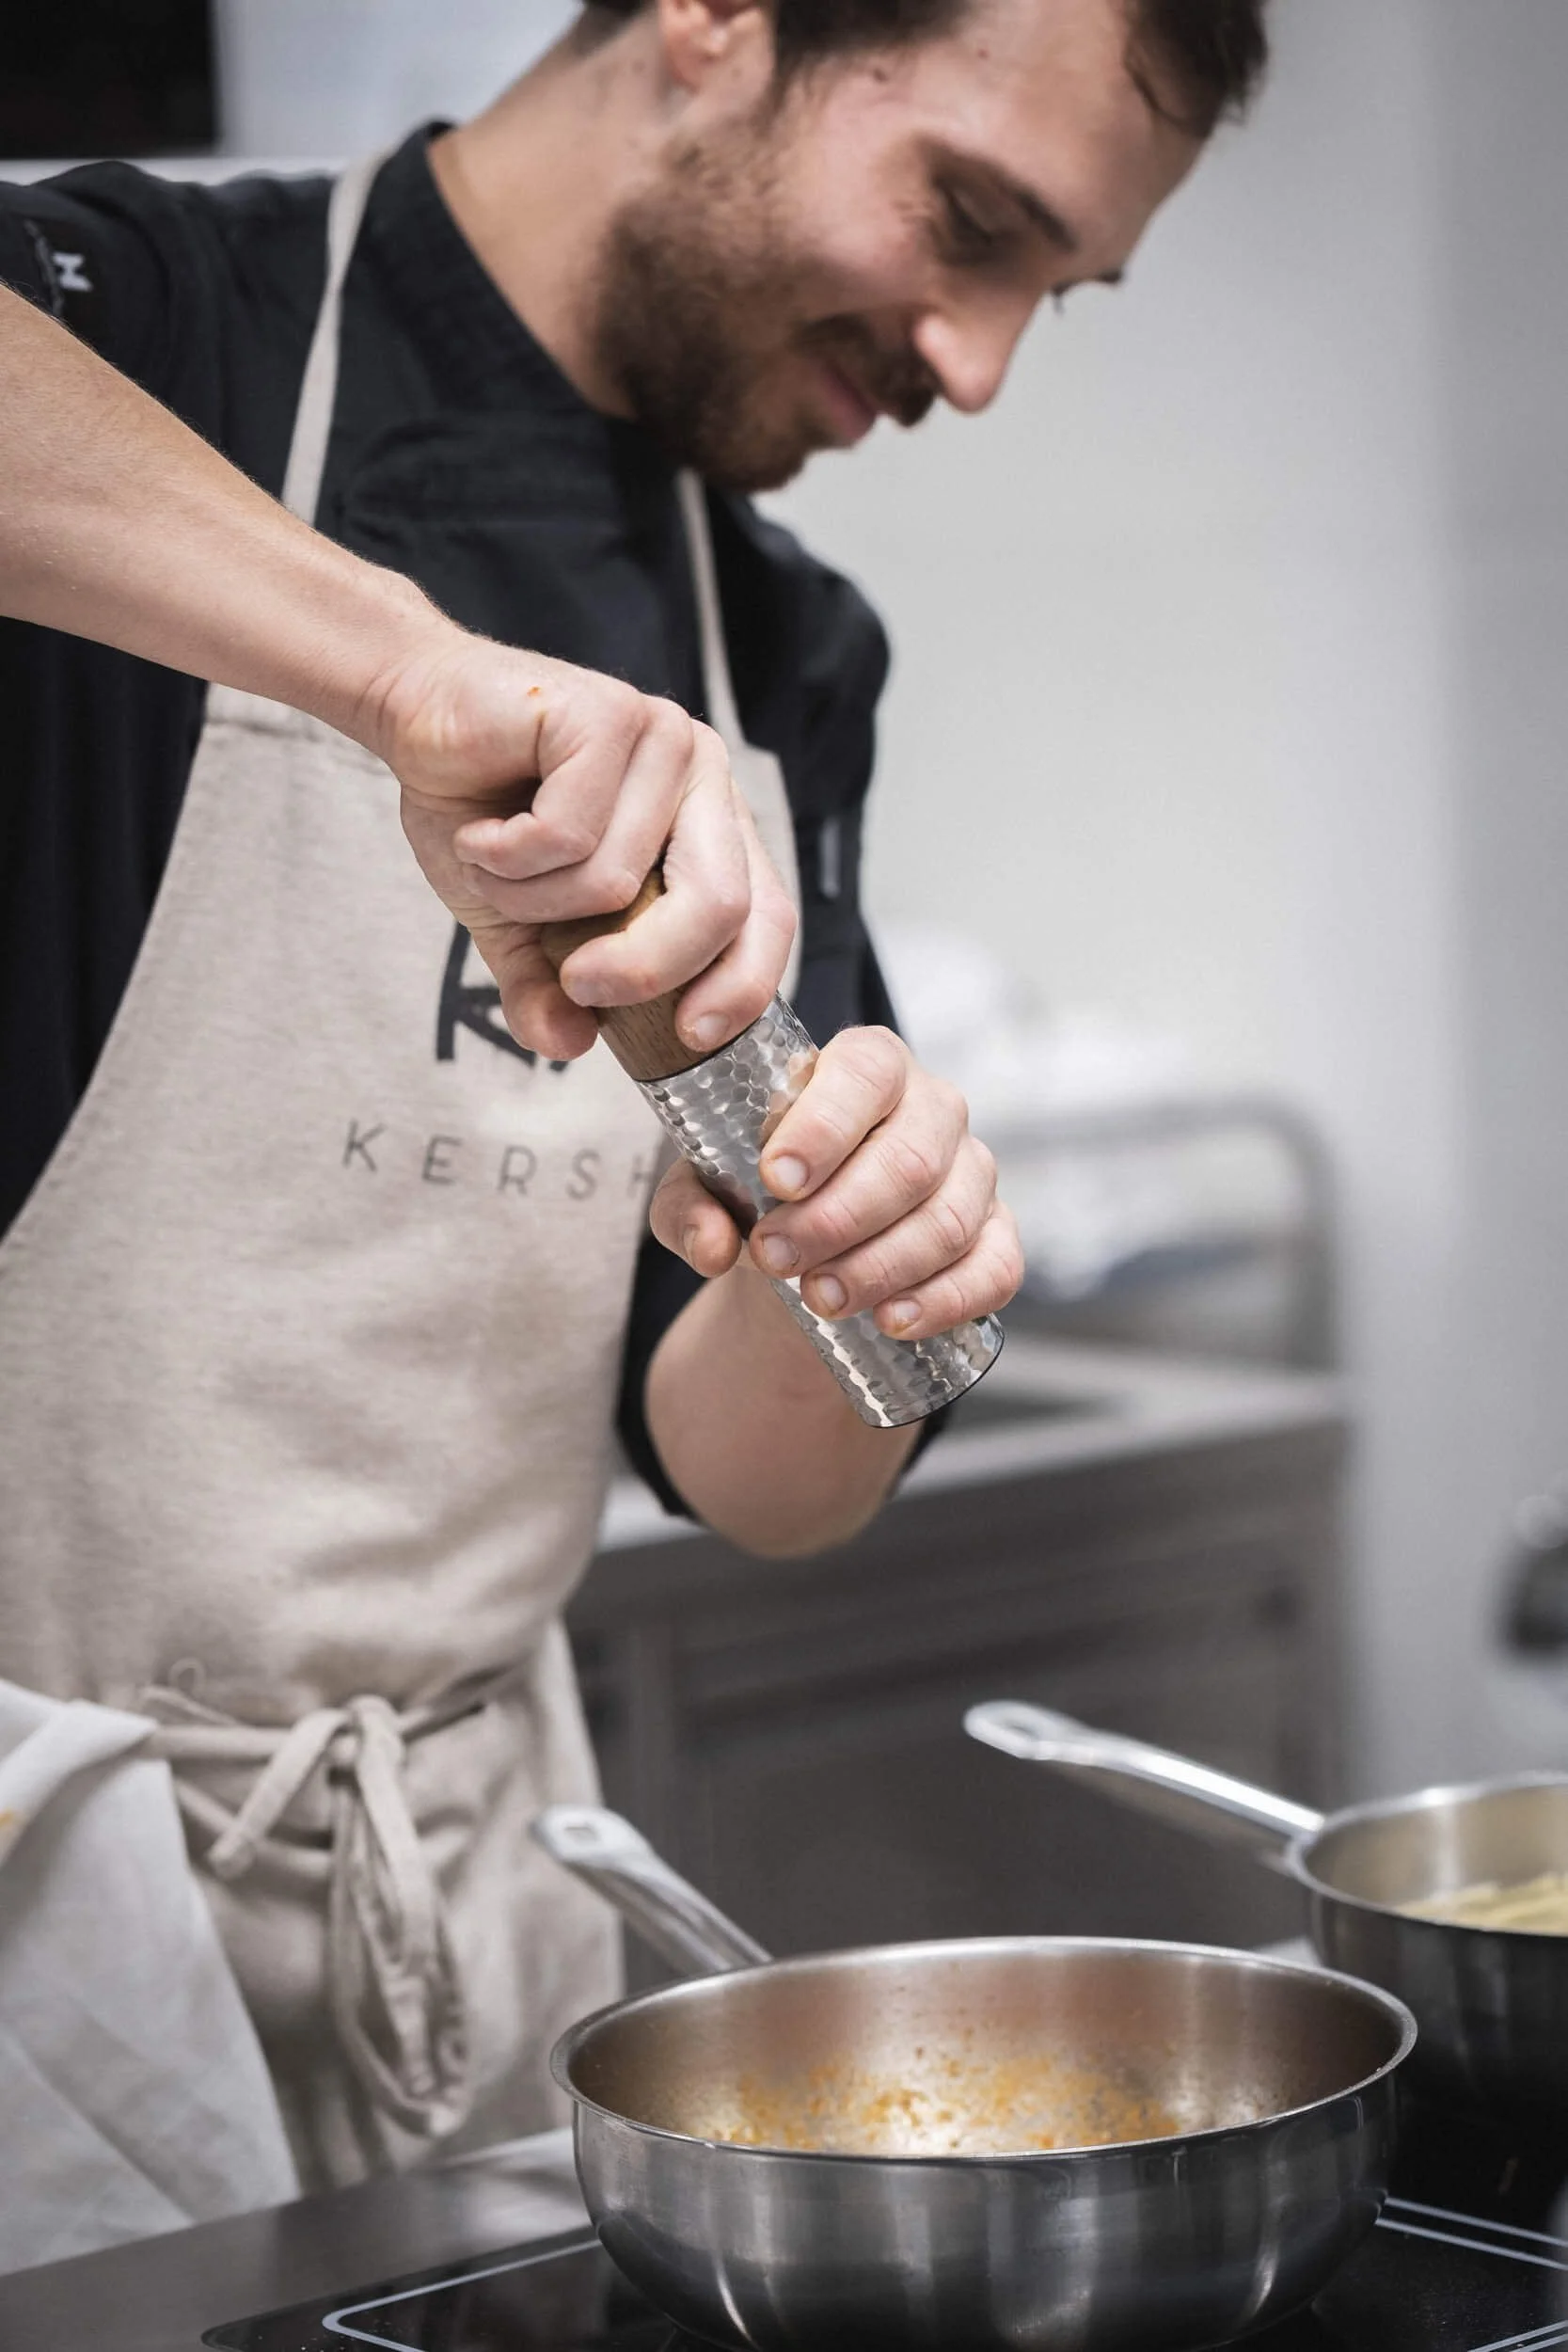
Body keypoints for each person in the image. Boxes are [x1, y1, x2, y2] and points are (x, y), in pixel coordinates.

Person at [0, 0, 1265, 2196]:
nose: (971, 364)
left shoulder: (778, 648)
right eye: (969, 225)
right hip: (37, 1943)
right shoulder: (147, 322)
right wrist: (395, 666)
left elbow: (736, 1461)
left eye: (1042, 297)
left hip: (474, 1956)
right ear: (710, 19)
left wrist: (859, 1281)